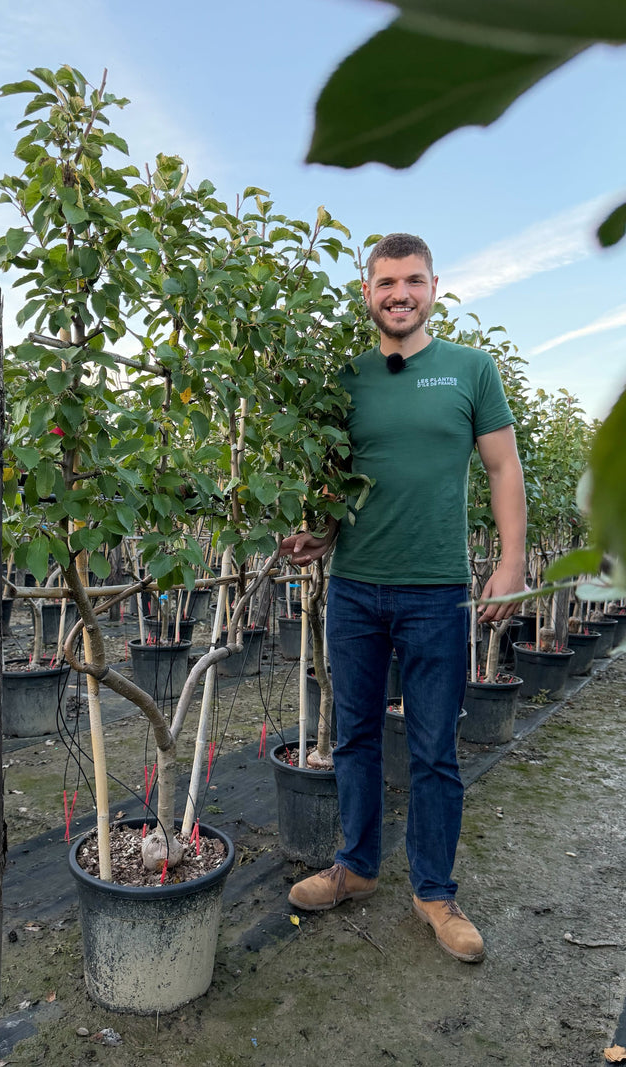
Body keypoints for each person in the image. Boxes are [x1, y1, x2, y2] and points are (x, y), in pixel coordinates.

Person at [280, 233, 526, 963]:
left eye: (412, 281)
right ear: (368, 291)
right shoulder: (345, 379)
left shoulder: (470, 370)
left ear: (433, 286)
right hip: (355, 588)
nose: (399, 293)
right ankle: (355, 866)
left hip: (438, 591)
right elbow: (340, 478)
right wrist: (320, 531)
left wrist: (511, 561)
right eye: (386, 282)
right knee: (352, 734)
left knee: (432, 749)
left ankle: (435, 892)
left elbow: (504, 467)